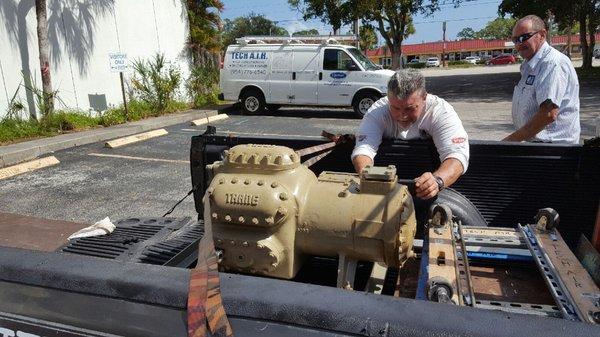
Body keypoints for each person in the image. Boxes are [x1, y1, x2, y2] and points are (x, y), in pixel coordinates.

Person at [351, 69, 469, 200]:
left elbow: (457, 155)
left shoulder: (441, 112)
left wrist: (437, 181)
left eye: (410, 108)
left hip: (432, 193)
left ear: (424, 97)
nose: (402, 116)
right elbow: (364, 149)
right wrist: (367, 176)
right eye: (395, 108)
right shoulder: (377, 112)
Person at [504, 15, 580, 143]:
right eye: (515, 40)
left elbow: (548, 114)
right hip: (536, 146)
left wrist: (508, 142)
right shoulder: (529, 65)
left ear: (542, 35)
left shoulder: (552, 63)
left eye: (524, 37)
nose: (519, 44)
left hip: (553, 150)